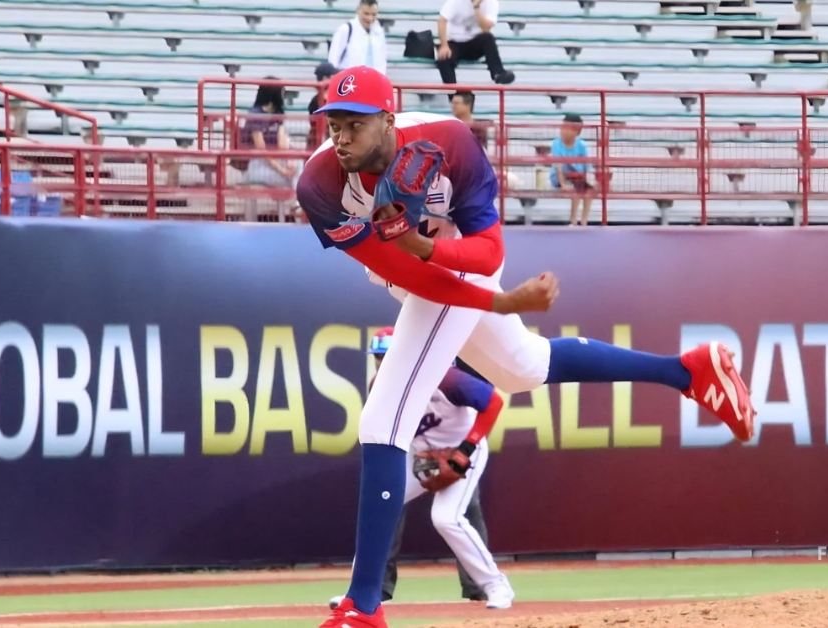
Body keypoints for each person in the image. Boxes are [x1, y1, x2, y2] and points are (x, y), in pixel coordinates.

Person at [300, 66, 754, 628]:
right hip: (411, 273)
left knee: (383, 420)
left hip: (455, 255)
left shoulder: (451, 143)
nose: (339, 137)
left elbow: (488, 254)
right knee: (524, 367)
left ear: (388, 120)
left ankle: (363, 608)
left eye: (354, 124)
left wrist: (436, 253)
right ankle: (688, 372)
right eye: (332, 124)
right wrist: (492, 301)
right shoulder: (319, 185)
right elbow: (394, 271)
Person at [329, 327, 505, 612]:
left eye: (387, 356)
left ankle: (495, 585)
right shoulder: (380, 386)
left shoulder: (444, 377)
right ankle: (363, 591)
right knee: (380, 505)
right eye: (378, 358)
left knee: (446, 518)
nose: (382, 364)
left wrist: (465, 450)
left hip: (462, 449)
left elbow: (494, 402)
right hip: (421, 454)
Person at [240, 82, 296, 221]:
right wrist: (282, 170)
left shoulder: (278, 113)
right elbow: (262, 150)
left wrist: (289, 162)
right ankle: (299, 203)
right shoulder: (255, 115)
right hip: (257, 165)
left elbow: (283, 144)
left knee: (299, 166)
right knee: (295, 177)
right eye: (282, 92)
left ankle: (298, 203)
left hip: (277, 162)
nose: (284, 96)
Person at [436, 0, 515, 85]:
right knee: (443, 59)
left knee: (488, 37)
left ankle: (498, 73)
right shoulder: (456, 2)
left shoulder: (491, 2)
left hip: (474, 44)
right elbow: (442, 21)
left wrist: (476, 8)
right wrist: (444, 45)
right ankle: (454, 95)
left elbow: (486, 28)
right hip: (453, 42)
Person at [549, 114, 593, 226]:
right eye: (562, 127)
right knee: (575, 186)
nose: (563, 131)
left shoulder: (582, 145)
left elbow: (586, 166)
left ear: (576, 132)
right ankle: (573, 220)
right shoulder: (556, 143)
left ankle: (584, 221)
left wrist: (589, 182)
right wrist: (563, 185)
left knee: (587, 191)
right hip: (559, 177)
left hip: (577, 177)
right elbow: (558, 166)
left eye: (567, 128)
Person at [328, 0, 388, 75]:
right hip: (350, 81)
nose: (370, 18)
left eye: (373, 14)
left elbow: (382, 60)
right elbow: (333, 59)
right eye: (366, 13)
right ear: (358, 11)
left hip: (373, 81)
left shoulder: (379, 31)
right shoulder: (346, 29)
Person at [309, 63, 341, 149]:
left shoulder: (336, 98)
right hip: (320, 144)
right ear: (325, 78)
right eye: (332, 76)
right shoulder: (316, 100)